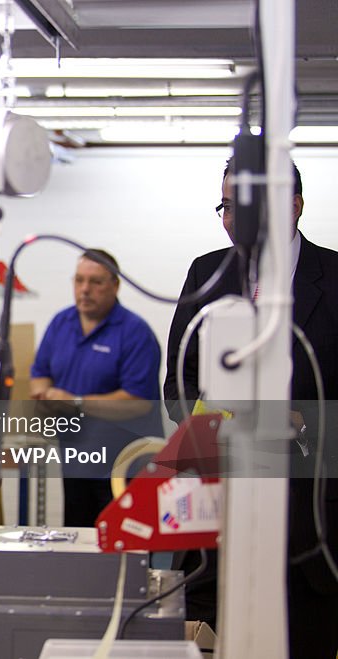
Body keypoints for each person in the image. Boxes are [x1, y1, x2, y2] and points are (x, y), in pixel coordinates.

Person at [164, 159, 338, 659]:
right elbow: (178, 379)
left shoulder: (334, 279)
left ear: (294, 206)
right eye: (226, 205)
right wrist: (209, 427)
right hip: (214, 520)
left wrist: (303, 421)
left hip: (307, 527)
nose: (233, 218)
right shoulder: (206, 272)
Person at [30, 249, 163, 527]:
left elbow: (137, 402)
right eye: (79, 280)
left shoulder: (135, 333)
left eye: (95, 282)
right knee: (79, 545)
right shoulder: (60, 324)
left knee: (125, 548)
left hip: (124, 467)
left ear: (115, 285)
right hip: (77, 460)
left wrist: (75, 402)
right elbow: (40, 373)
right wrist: (44, 395)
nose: (85, 289)